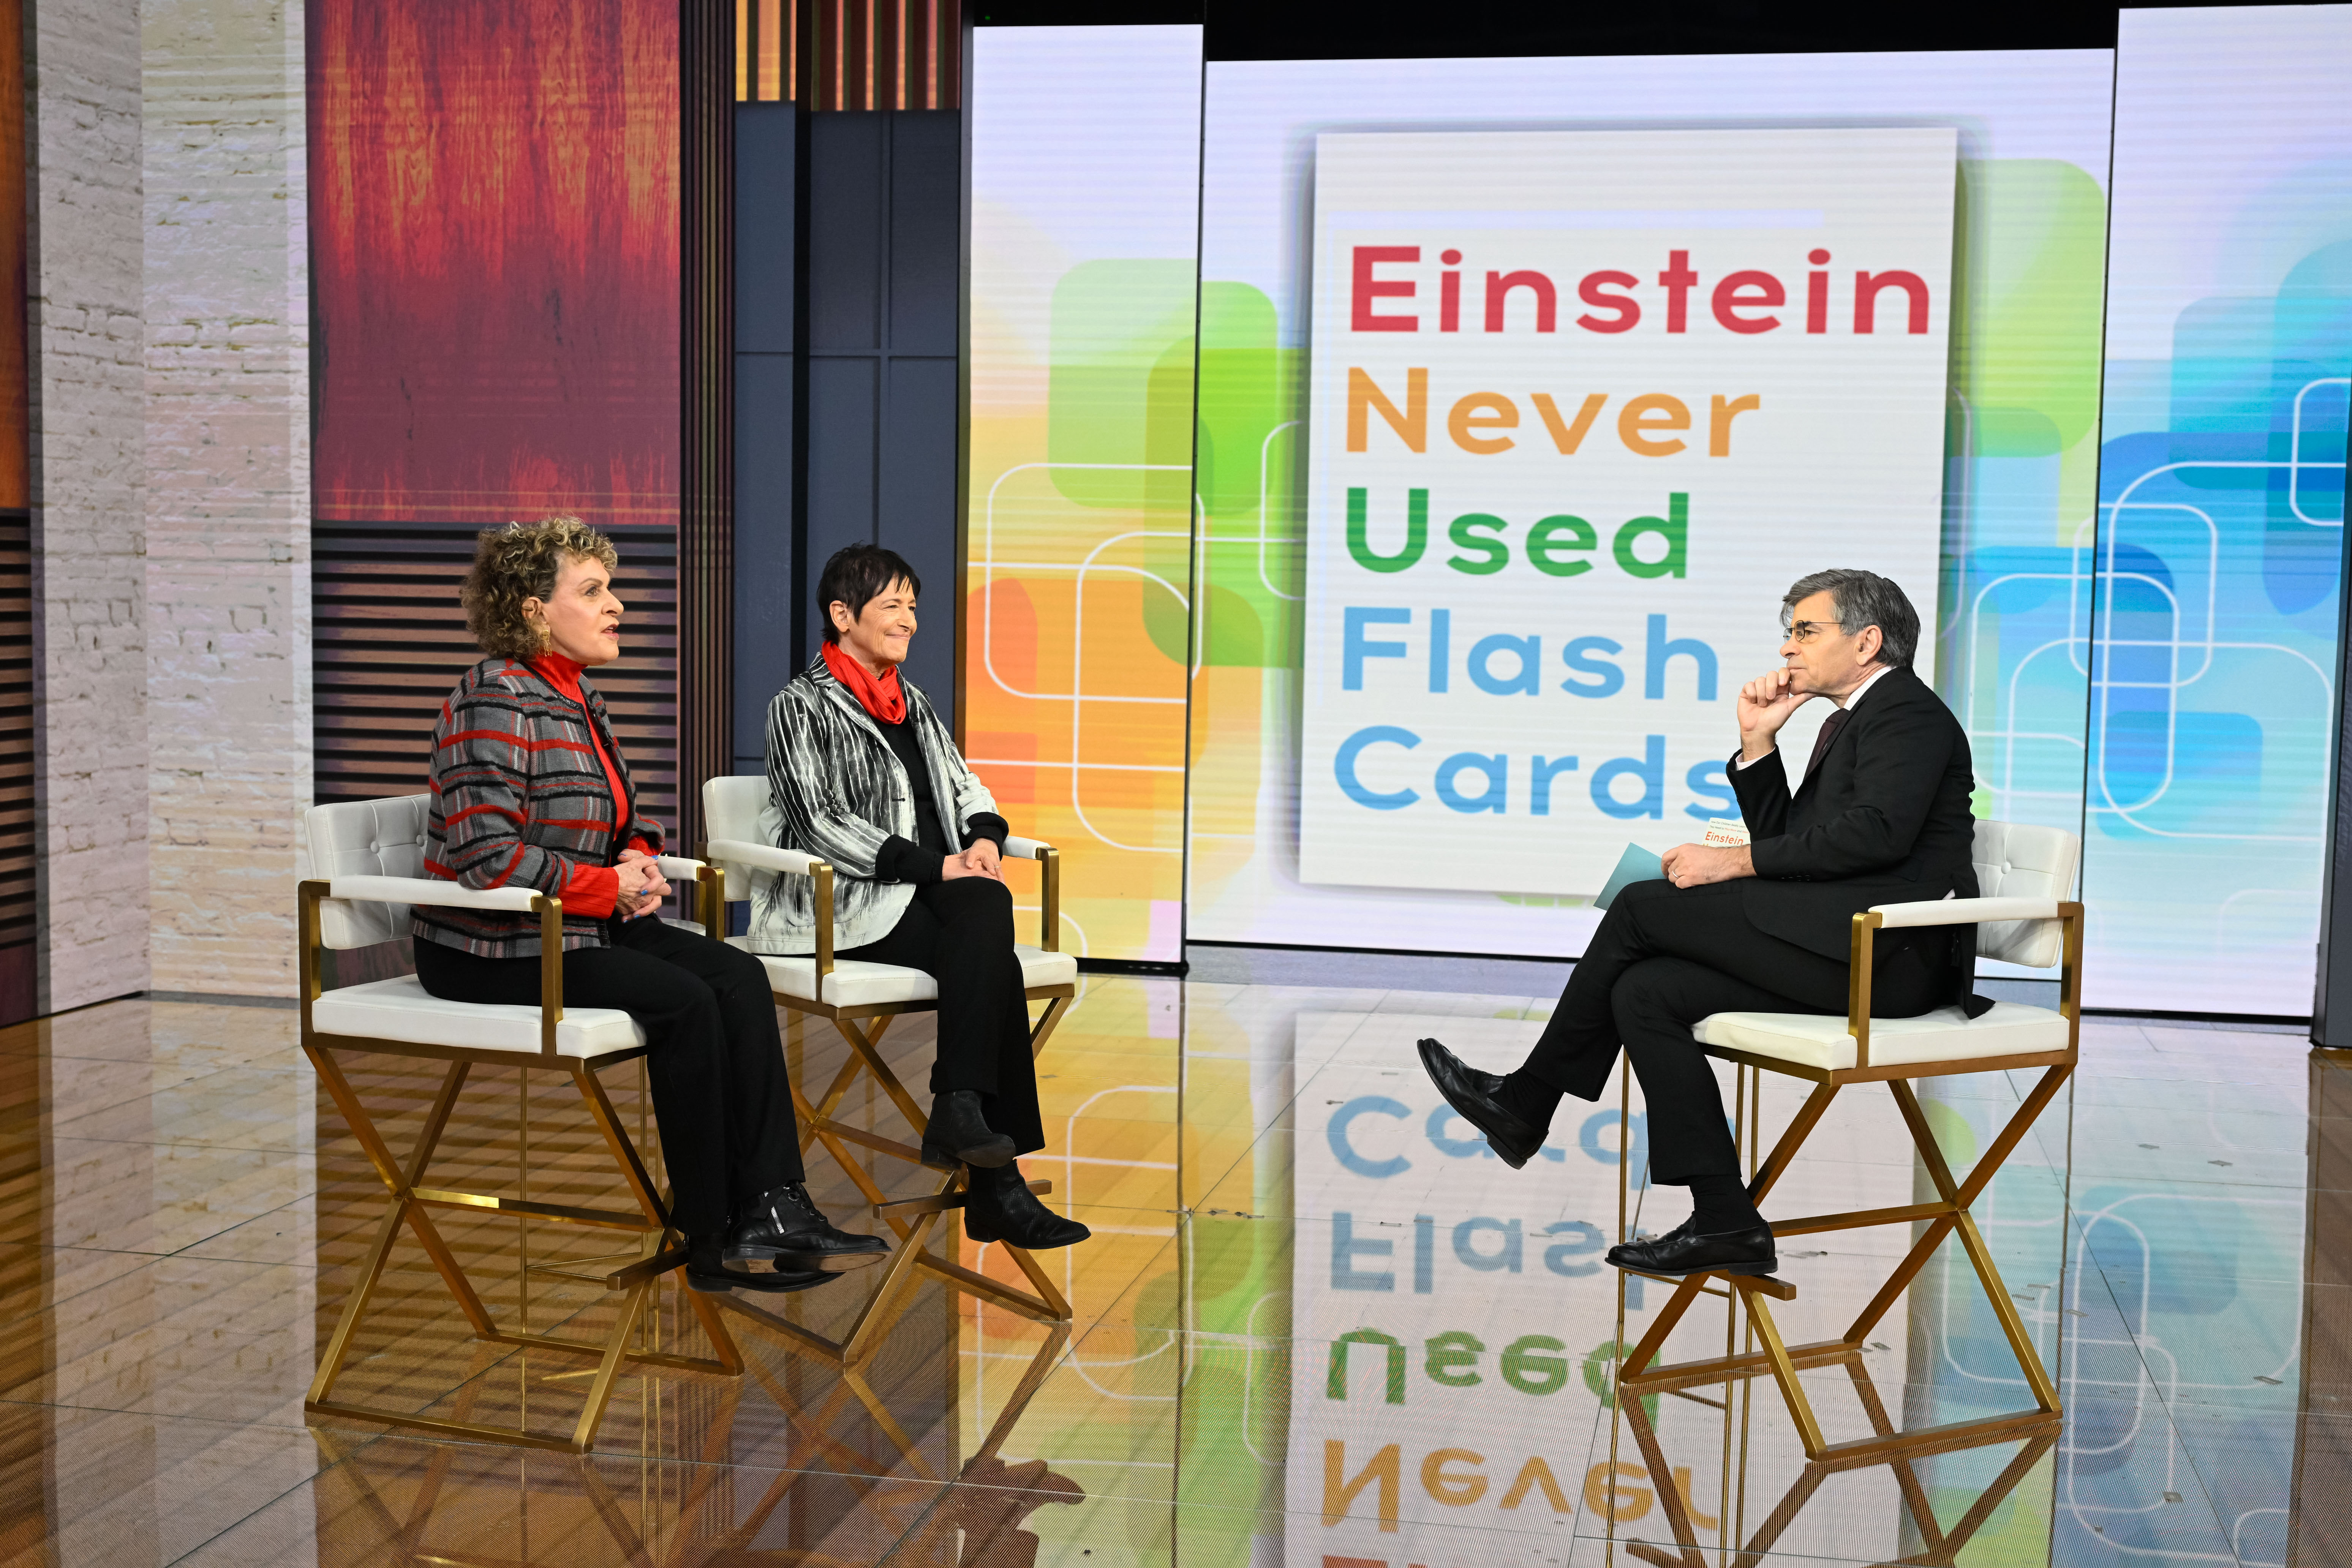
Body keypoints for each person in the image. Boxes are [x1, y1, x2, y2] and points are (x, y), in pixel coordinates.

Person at [1416, 569, 1982, 1279]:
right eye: (1790, 634)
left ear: (1867, 641)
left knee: (1640, 905)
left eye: (1806, 631)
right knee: (1645, 993)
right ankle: (1725, 1217)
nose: (1788, 650)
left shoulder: (1907, 712)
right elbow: (1799, 840)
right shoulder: (1850, 719)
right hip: (1841, 938)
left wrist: (1736, 863)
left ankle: (1527, 1101)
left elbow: (1874, 838)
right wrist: (1757, 745)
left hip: (1887, 960)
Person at [411, 515, 888, 1294]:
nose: (617, 606)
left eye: (612, 588)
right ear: (533, 610)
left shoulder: (579, 698)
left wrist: (636, 855)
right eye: (593, 590)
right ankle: (709, 1236)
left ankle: (774, 1205)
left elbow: (625, 814)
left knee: (738, 977)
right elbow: (483, 856)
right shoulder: (492, 699)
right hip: (490, 950)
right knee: (685, 1001)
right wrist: (609, 885)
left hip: (583, 928)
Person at [750, 542, 1090, 1252]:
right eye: (891, 604)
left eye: (913, 605)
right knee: (990, 947)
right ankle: (998, 1185)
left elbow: (967, 787)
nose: (908, 618)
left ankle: (961, 1109)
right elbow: (819, 822)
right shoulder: (800, 706)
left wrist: (985, 841)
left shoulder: (912, 702)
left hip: (925, 896)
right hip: (842, 906)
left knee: (986, 918)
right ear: (842, 615)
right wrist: (937, 867)